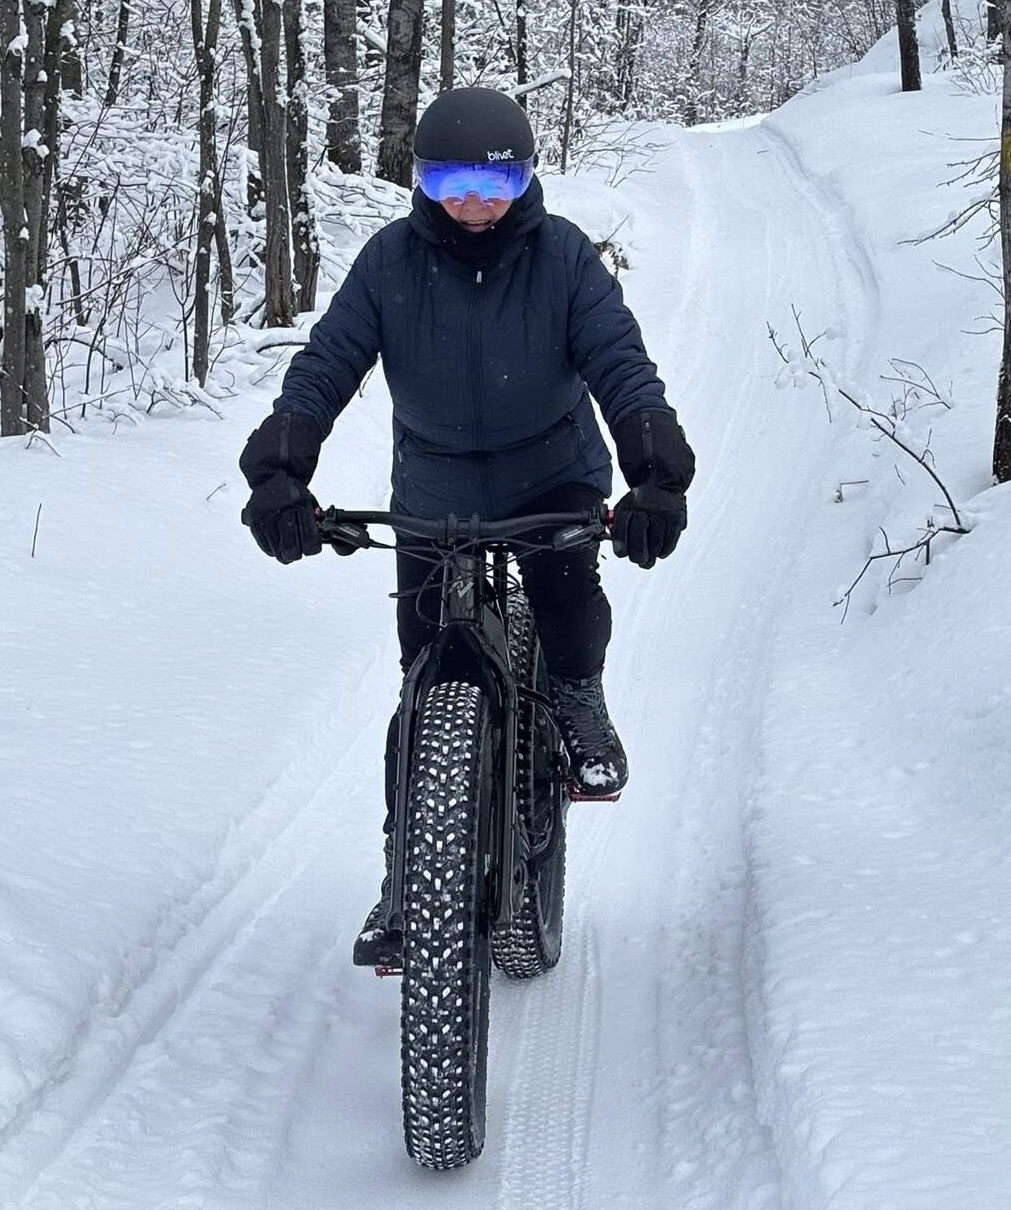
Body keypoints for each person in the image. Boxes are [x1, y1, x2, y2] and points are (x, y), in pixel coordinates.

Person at [238, 86, 694, 968]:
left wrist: (655, 476)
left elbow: (622, 365)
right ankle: (407, 880)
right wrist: (281, 471)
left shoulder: (563, 259)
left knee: (564, 602)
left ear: (525, 179)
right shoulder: (389, 264)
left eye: (498, 180)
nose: (474, 202)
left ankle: (577, 700)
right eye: (451, 180)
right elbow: (324, 367)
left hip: (551, 477)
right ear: (422, 181)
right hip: (436, 493)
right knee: (423, 681)